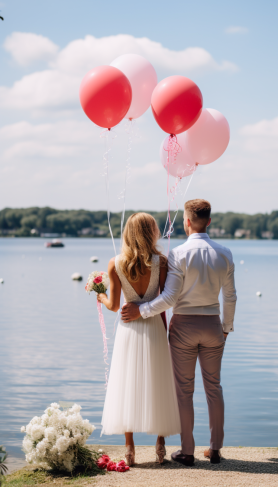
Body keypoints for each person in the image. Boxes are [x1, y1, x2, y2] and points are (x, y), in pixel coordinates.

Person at [121, 199, 237, 466]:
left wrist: (142, 311)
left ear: (186, 222)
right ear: (209, 221)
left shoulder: (178, 254)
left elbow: (171, 297)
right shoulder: (225, 253)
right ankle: (216, 449)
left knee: (184, 391)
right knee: (214, 387)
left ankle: (187, 451)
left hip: (184, 326)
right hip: (213, 325)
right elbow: (230, 297)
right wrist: (226, 329)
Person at [97, 213, 181, 466]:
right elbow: (164, 300)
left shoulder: (116, 263)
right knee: (159, 380)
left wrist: (98, 294)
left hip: (129, 329)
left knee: (127, 382)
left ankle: (130, 448)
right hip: (154, 326)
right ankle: (160, 444)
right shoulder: (162, 262)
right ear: (151, 232)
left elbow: (113, 305)